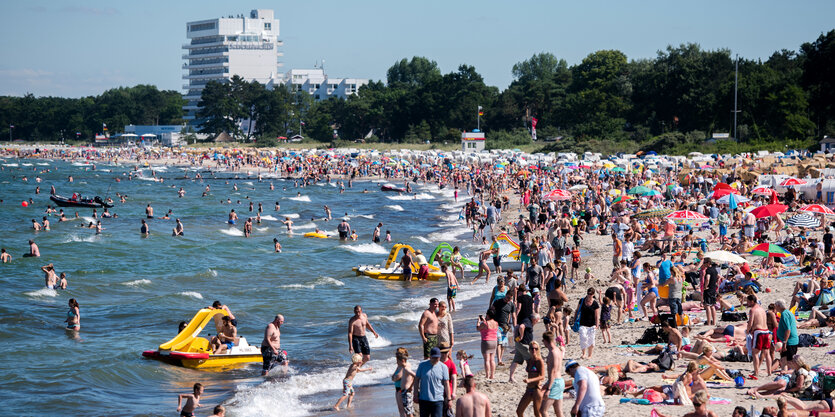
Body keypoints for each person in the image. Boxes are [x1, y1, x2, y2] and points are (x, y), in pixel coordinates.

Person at [413, 347, 451, 417]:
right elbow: (416, 380)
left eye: (437, 358)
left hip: (438, 400)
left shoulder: (444, 367)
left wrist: (449, 399)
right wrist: (415, 394)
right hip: (424, 399)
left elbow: (446, 383)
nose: (436, 359)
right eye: (434, 357)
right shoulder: (422, 365)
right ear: (430, 356)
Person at [516, 340, 546, 417]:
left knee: (537, 414)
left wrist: (530, 380)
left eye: (536, 349)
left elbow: (542, 377)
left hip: (537, 389)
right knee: (519, 411)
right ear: (529, 349)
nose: (534, 350)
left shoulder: (540, 361)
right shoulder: (529, 360)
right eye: (532, 348)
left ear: (538, 349)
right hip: (529, 389)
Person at [747, 294, 773, 378]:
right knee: (767, 353)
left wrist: (748, 331)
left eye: (748, 301)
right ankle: (769, 372)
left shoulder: (752, 310)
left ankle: (756, 372)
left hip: (758, 332)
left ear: (752, 301)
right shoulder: (762, 309)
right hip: (766, 331)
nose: (747, 303)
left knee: (755, 353)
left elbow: (750, 323)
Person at [540, 331, 565, 417]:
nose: (543, 343)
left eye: (543, 341)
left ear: (546, 341)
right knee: (558, 411)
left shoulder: (553, 353)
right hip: (560, 381)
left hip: (555, 382)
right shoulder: (558, 350)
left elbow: (553, 371)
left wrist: (549, 388)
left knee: (543, 410)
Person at [575, 288, 600, 360]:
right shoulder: (582, 301)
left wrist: (597, 325)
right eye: (588, 294)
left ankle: (590, 355)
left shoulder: (595, 303)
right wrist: (574, 320)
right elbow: (577, 311)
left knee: (591, 341)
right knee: (583, 338)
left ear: (593, 295)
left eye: (591, 294)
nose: (589, 295)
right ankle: (583, 354)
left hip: (592, 324)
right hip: (582, 323)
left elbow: (597, 315)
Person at [775, 300, 799, 371]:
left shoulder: (785, 314)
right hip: (789, 341)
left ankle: (792, 374)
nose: (775, 308)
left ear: (779, 306)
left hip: (790, 342)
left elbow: (788, 329)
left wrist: (785, 343)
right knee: (783, 359)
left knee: (790, 361)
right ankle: (784, 373)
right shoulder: (787, 312)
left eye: (776, 306)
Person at [393, 347, 416, 417]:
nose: (396, 361)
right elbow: (393, 377)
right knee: (403, 410)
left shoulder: (405, 367)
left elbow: (396, 377)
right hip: (398, 389)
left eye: (397, 359)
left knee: (405, 411)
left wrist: (411, 386)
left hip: (402, 390)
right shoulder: (399, 366)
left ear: (402, 360)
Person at [477, 310, 499, 380]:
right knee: (492, 359)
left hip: (486, 341)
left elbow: (478, 328)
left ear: (488, 315)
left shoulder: (485, 324)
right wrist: (484, 320)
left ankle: (487, 375)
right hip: (494, 341)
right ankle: (492, 375)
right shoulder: (496, 323)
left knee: (486, 360)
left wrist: (478, 321)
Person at [438, 342, 459, 417]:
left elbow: (454, 379)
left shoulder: (451, 364)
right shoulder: (437, 363)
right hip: (438, 392)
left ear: (448, 352)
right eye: (442, 353)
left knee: (447, 412)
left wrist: (453, 392)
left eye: (445, 353)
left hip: (447, 393)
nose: (443, 355)